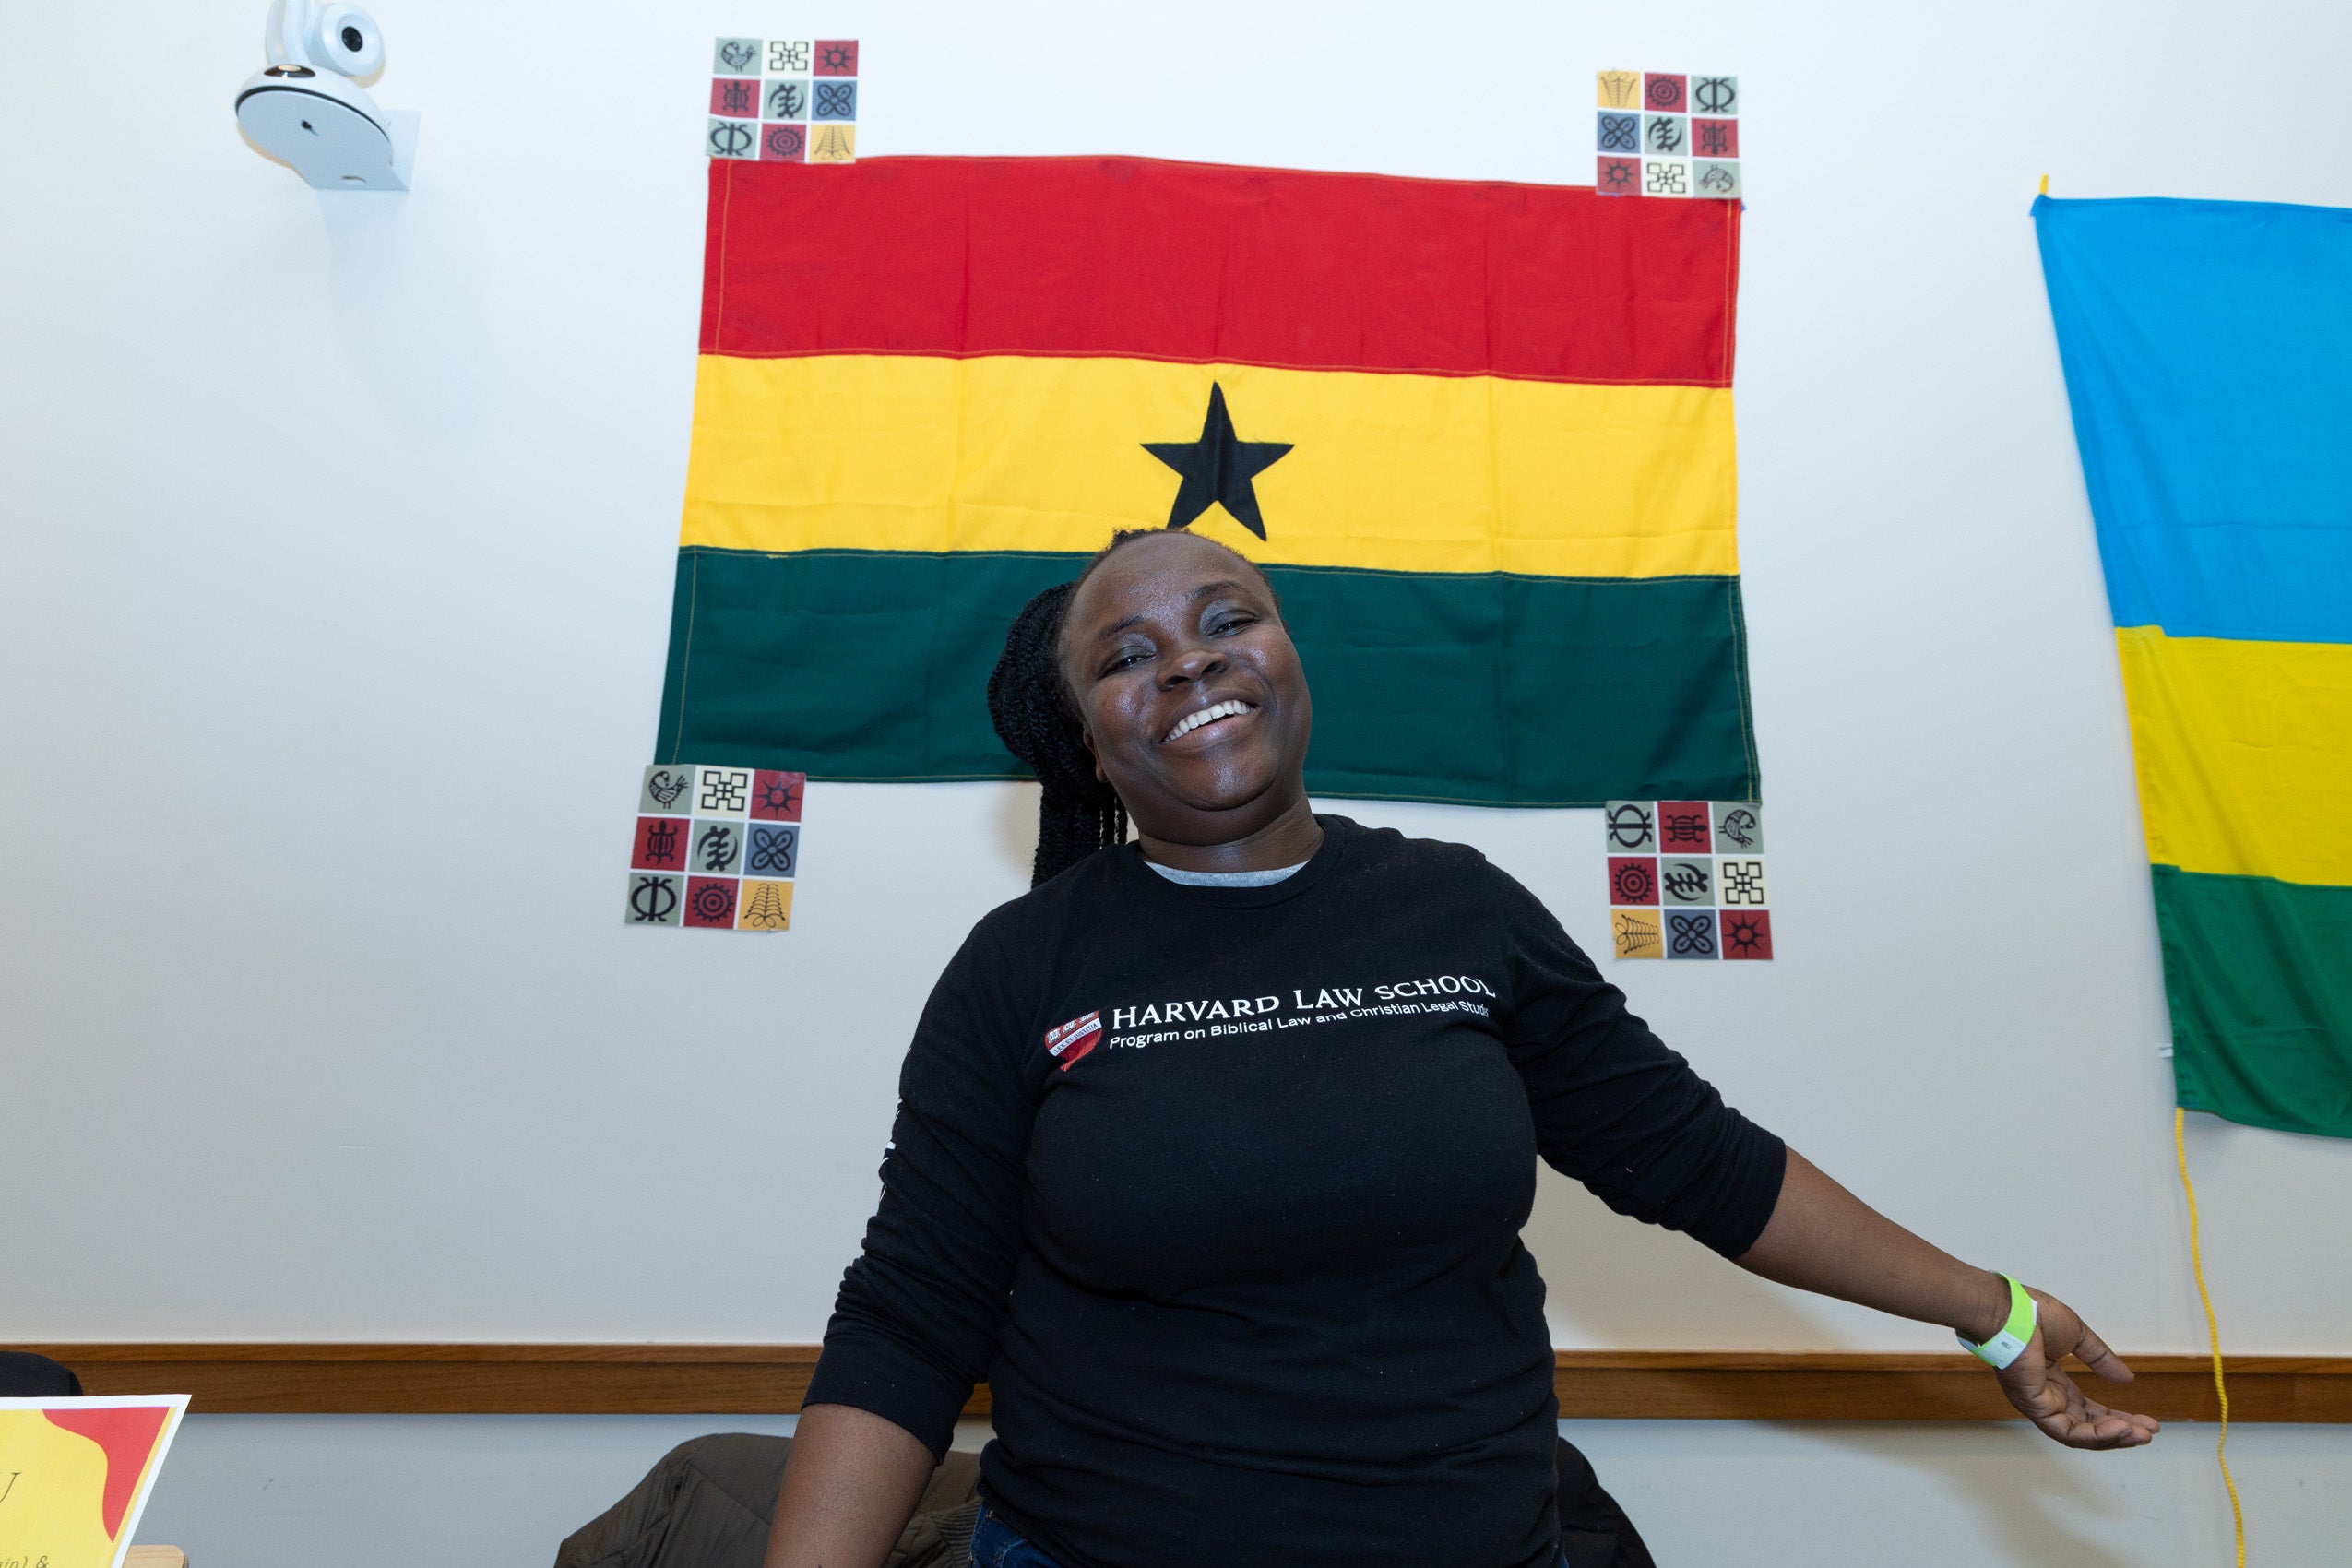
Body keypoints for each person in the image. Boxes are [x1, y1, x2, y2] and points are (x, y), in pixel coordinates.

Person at [764, 528, 2158, 1568]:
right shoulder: (1022, 969)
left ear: (1287, 651)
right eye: (1124, 656)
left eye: (1221, 618)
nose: (1183, 659)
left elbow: (1697, 1163)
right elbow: (909, 1315)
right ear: (1088, 738)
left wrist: (1994, 1309)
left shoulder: (1458, 908)